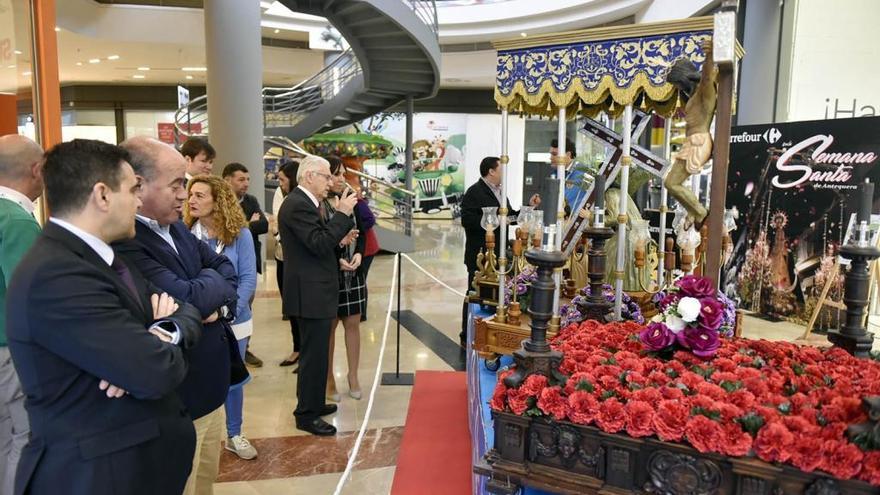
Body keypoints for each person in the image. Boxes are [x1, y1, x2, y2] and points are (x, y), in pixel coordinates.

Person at [6, 139, 202, 495]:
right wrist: (146, 349)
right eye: (132, 189)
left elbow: (183, 307)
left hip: (131, 467)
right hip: (96, 475)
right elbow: (154, 372)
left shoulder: (100, 256)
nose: (139, 200)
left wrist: (161, 333)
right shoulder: (57, 274)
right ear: (102, 195)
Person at [116, 136, 244, 495]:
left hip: (211, 388)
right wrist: (204, 291)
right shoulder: (127, 240)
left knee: (206, 482)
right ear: (138, 186)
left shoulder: (175, 228)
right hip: (178, 398)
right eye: (176, 184)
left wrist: (210, 300)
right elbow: (186, 296)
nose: (185, 195)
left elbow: (223, 267)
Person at [278, 155, 358, 436]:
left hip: (316, 288)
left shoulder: (308, 203)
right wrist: (343, 215)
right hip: (309, 292)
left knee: (318, 353)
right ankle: (306, 415)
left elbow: (318, 243)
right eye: (326, 176)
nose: (330, 182)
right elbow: (318, 243)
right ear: (310, 176)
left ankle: (312, 402)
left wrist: (340, 241)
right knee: (313, 357)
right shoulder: (298, 204)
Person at [185, 175, 258, 460]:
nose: (191, 200)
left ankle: (234, 433)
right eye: (191, 194)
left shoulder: (241, 234)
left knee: (232, 379)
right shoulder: (185, 235)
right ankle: (202, 434)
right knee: (201, 378)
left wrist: (226, 313)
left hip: (235, 321)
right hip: (199, 322)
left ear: (218, 202)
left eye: (200, 195)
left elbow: (248, 280)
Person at [0, 135, 43, 495]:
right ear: (36, 170)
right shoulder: (18, 220)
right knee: (26, 436)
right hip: (10, 352)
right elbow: (29, 296)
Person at [459, 156, 540, 345]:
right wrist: (490, 220)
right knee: (474, 292)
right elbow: (467, 221)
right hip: (480, 254)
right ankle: (466, 336)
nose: (504, 173)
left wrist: (529, 207)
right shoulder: (474, 192)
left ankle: (489, 334)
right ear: (491, 171)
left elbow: (510, 217)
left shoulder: (500, 193)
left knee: (496, 294)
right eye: (501, 169)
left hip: (500, 253)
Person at [323, 157, 366, 402]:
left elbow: (363, 232)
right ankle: (329, 378)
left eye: (342, 173)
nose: (340, 179)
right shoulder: (320, 203)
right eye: (335, 174)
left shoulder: (352, 197)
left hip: (353, 271)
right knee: (329, 327)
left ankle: (353, 376)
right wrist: (338, 255)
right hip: (330, 272)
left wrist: (359, 253)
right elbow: (321, 239)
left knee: (353, 324)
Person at [663, 41, 717, 229]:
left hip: (699, 141)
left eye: (678, 84)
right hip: (691, 142)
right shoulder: (694, 96)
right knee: (670, 183)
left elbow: (708, 78)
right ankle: (694, 211)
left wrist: (709, 56)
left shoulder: (705, 94)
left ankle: (699, 210)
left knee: (671, 183)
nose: (678, 88)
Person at [222, 162, 268, 368]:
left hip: (248, 264)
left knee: (245, 307)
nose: (246, 183)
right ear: (227, 180)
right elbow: (226, 229)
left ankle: (243, 348)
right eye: (241, 179)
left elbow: (264, 225)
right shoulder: (219, 203)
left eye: (248, 179)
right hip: (225, 268)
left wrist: (246, 227)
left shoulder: (250, 201)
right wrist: (249, 224)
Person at [271, 161, 302, 368]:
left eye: (283, 179)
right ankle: (297, 348)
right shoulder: (280, 194)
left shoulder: (303, 199)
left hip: (300, 262)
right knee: (290, 305)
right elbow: (276, 222)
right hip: (283, 257)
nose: (280, 183)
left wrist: (278, 232)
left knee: (302, 309)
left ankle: (305, 352)